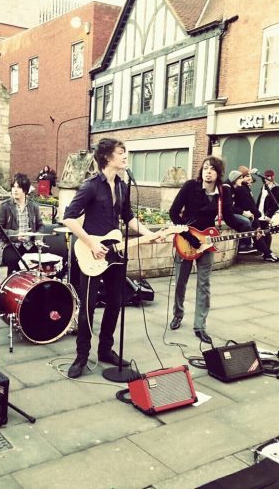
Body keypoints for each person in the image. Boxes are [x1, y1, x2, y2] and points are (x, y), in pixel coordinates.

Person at [63, 138, 163, 378]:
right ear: (108, 157)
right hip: (92, 252)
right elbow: (68, 217)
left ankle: (106, 350)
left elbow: (129, 218)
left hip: (115, 252)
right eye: (121, 152)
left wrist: (150, 234)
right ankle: (81, 357)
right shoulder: (90, 186)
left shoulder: (122, 186)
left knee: (116, 302)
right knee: (88, 308)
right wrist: (91, 243)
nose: (126, 156)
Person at [169, 156, 244, 344]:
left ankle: (200, 326)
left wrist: (251, 229)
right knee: (180, 282)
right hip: (186, 239)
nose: (208, 172)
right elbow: (173, 212)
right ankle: (178, 314)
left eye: (212, 169)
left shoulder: (223, 192)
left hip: (208, 242)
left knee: (204, 284)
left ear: (218, 173)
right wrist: (189, 236)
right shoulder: (190, 187)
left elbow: (230, 218)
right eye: (205, 168)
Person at [0, 173, 45, 276]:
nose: (15, 190)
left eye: (19, 187)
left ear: (25, 190)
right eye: (13, 187)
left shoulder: (33, 206)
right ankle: (12, 283)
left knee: (40, 261)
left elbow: (41, 225)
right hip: (10, 245)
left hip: (30, 245)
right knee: (14, 260)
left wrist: (38, 237)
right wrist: (16, 235)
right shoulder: (4, 207)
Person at [231, 167, 279, 262]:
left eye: (250, 176)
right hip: (250, 215)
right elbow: (250, 205)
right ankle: (252, 247)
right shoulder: (241, 189)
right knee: (256, 231)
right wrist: (256, 214)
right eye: (247, 176)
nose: (250, 179)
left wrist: (265, 216)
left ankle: (266, 253)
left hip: (256, 215)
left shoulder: (246, 188)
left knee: (260, 232)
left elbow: (273, 204)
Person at [256, 169, 279, 250]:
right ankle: (261, 248)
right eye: (265, 176)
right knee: (260, 230)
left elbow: (275, 204)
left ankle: (267, 249)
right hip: (260, 211)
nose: (266, 178)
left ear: (272, 177)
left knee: (266, 231)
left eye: (268, 177)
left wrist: (269, 215)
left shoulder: (275, 188)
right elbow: (260, 199)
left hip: (267, 213)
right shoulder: (263, 187)